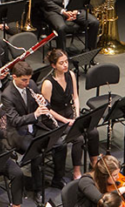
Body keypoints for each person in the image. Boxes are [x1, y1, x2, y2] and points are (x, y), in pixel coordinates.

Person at [2, 61, 62, 202]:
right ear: (14, 77)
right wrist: (35, 114)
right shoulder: (7, 95)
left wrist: (43, 101)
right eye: (24, 80)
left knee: (60, 144)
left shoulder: (32, 84)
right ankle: (37, 189)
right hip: (18, 133)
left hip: (35, 127)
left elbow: (46, 105)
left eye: (29, 79)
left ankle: (57, 179)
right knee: (37, 151)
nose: (27, 83)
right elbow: (15, 121)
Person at [41, 49, 100, 178]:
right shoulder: (48, 83)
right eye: (61, 63)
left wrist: (77, 115)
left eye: (66, 61)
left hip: (71, 116)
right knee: (78, 138)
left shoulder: (71, 75)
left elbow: (75, 97)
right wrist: (66, 120)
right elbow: (47, 109)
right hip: (56, 120)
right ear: (53, 65)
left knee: (93, 131)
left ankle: (94, 162)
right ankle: (76, 171)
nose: (65, 65)